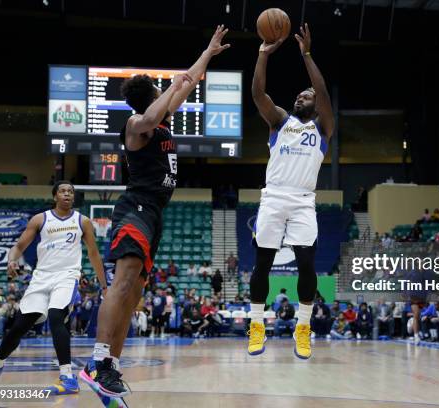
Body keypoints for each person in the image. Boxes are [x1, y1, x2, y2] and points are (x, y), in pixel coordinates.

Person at [80, 27, 230, 399]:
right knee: (123, 283)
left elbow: (188, 82)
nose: (168, 95)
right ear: (150, 96)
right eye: (161, 92)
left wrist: (208, 52)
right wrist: (172, 88)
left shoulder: (162, 120)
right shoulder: (135, 126)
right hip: (136, 207)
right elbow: (151, 114)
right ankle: (98, 361)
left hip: (155, 214)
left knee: (133, 297)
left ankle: (109, 369)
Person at [246, 23, 335, 360]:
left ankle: (303, 327)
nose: (302, 96)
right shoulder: (280, 121)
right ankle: (256, 326)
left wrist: (307, 54)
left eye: (307, 95)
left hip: (302, 202)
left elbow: (323, 91)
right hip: (273, 197)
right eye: (300, 94)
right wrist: (263, 56)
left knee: (307, 264)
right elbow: (258, 94)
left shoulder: (323, 129)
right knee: (262, 264)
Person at [0, 181, 106, 397]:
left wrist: (104, 284)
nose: (67, 194)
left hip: (67, 276)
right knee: (20, 325)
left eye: (71, 192)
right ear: (55, 196)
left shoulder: (82, 221)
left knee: (57, 316)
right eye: (63, 191)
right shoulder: (40, 219)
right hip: (41, 277)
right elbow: (19, 246)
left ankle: (67, 377)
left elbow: (93, 253)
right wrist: (11, 260)